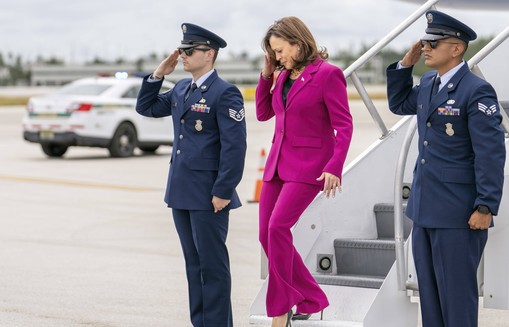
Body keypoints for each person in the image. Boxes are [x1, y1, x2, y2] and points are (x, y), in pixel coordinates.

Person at [385, 10, 506, 327]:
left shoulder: (476, 91)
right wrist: (405, 66)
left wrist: (486, 204)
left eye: (433, 43)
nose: (426, 47)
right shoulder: (428, 83)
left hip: (457, 213)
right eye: (425, 41)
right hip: (425, 210)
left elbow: (490, 153)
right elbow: (399, 104)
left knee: (456, 300)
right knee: (431, 300)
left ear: (456, 48)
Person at [135, 23, 246, 327]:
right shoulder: (182, 88)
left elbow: (235, 148)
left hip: (209, 194)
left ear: (209, 54)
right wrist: (158, 74)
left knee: (212, 267)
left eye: (189, 50)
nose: (182, 55)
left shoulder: (226, 93)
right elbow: (145, 107)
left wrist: (223, 190)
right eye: (181, 50)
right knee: (193, 265)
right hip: (181, 190)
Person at [256, 16, 353, 327]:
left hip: (309, 166)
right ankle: (311, 298)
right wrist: (267, 76)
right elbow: (263, 113)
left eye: (280, 51)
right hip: (277, 164)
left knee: (277, 229)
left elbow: (344, 125)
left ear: (298, 44)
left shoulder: (328, 75)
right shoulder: (282, 76)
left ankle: (281, 310)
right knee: (265, 235)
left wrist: (334, 166)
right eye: (273, 52)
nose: (278, 57)